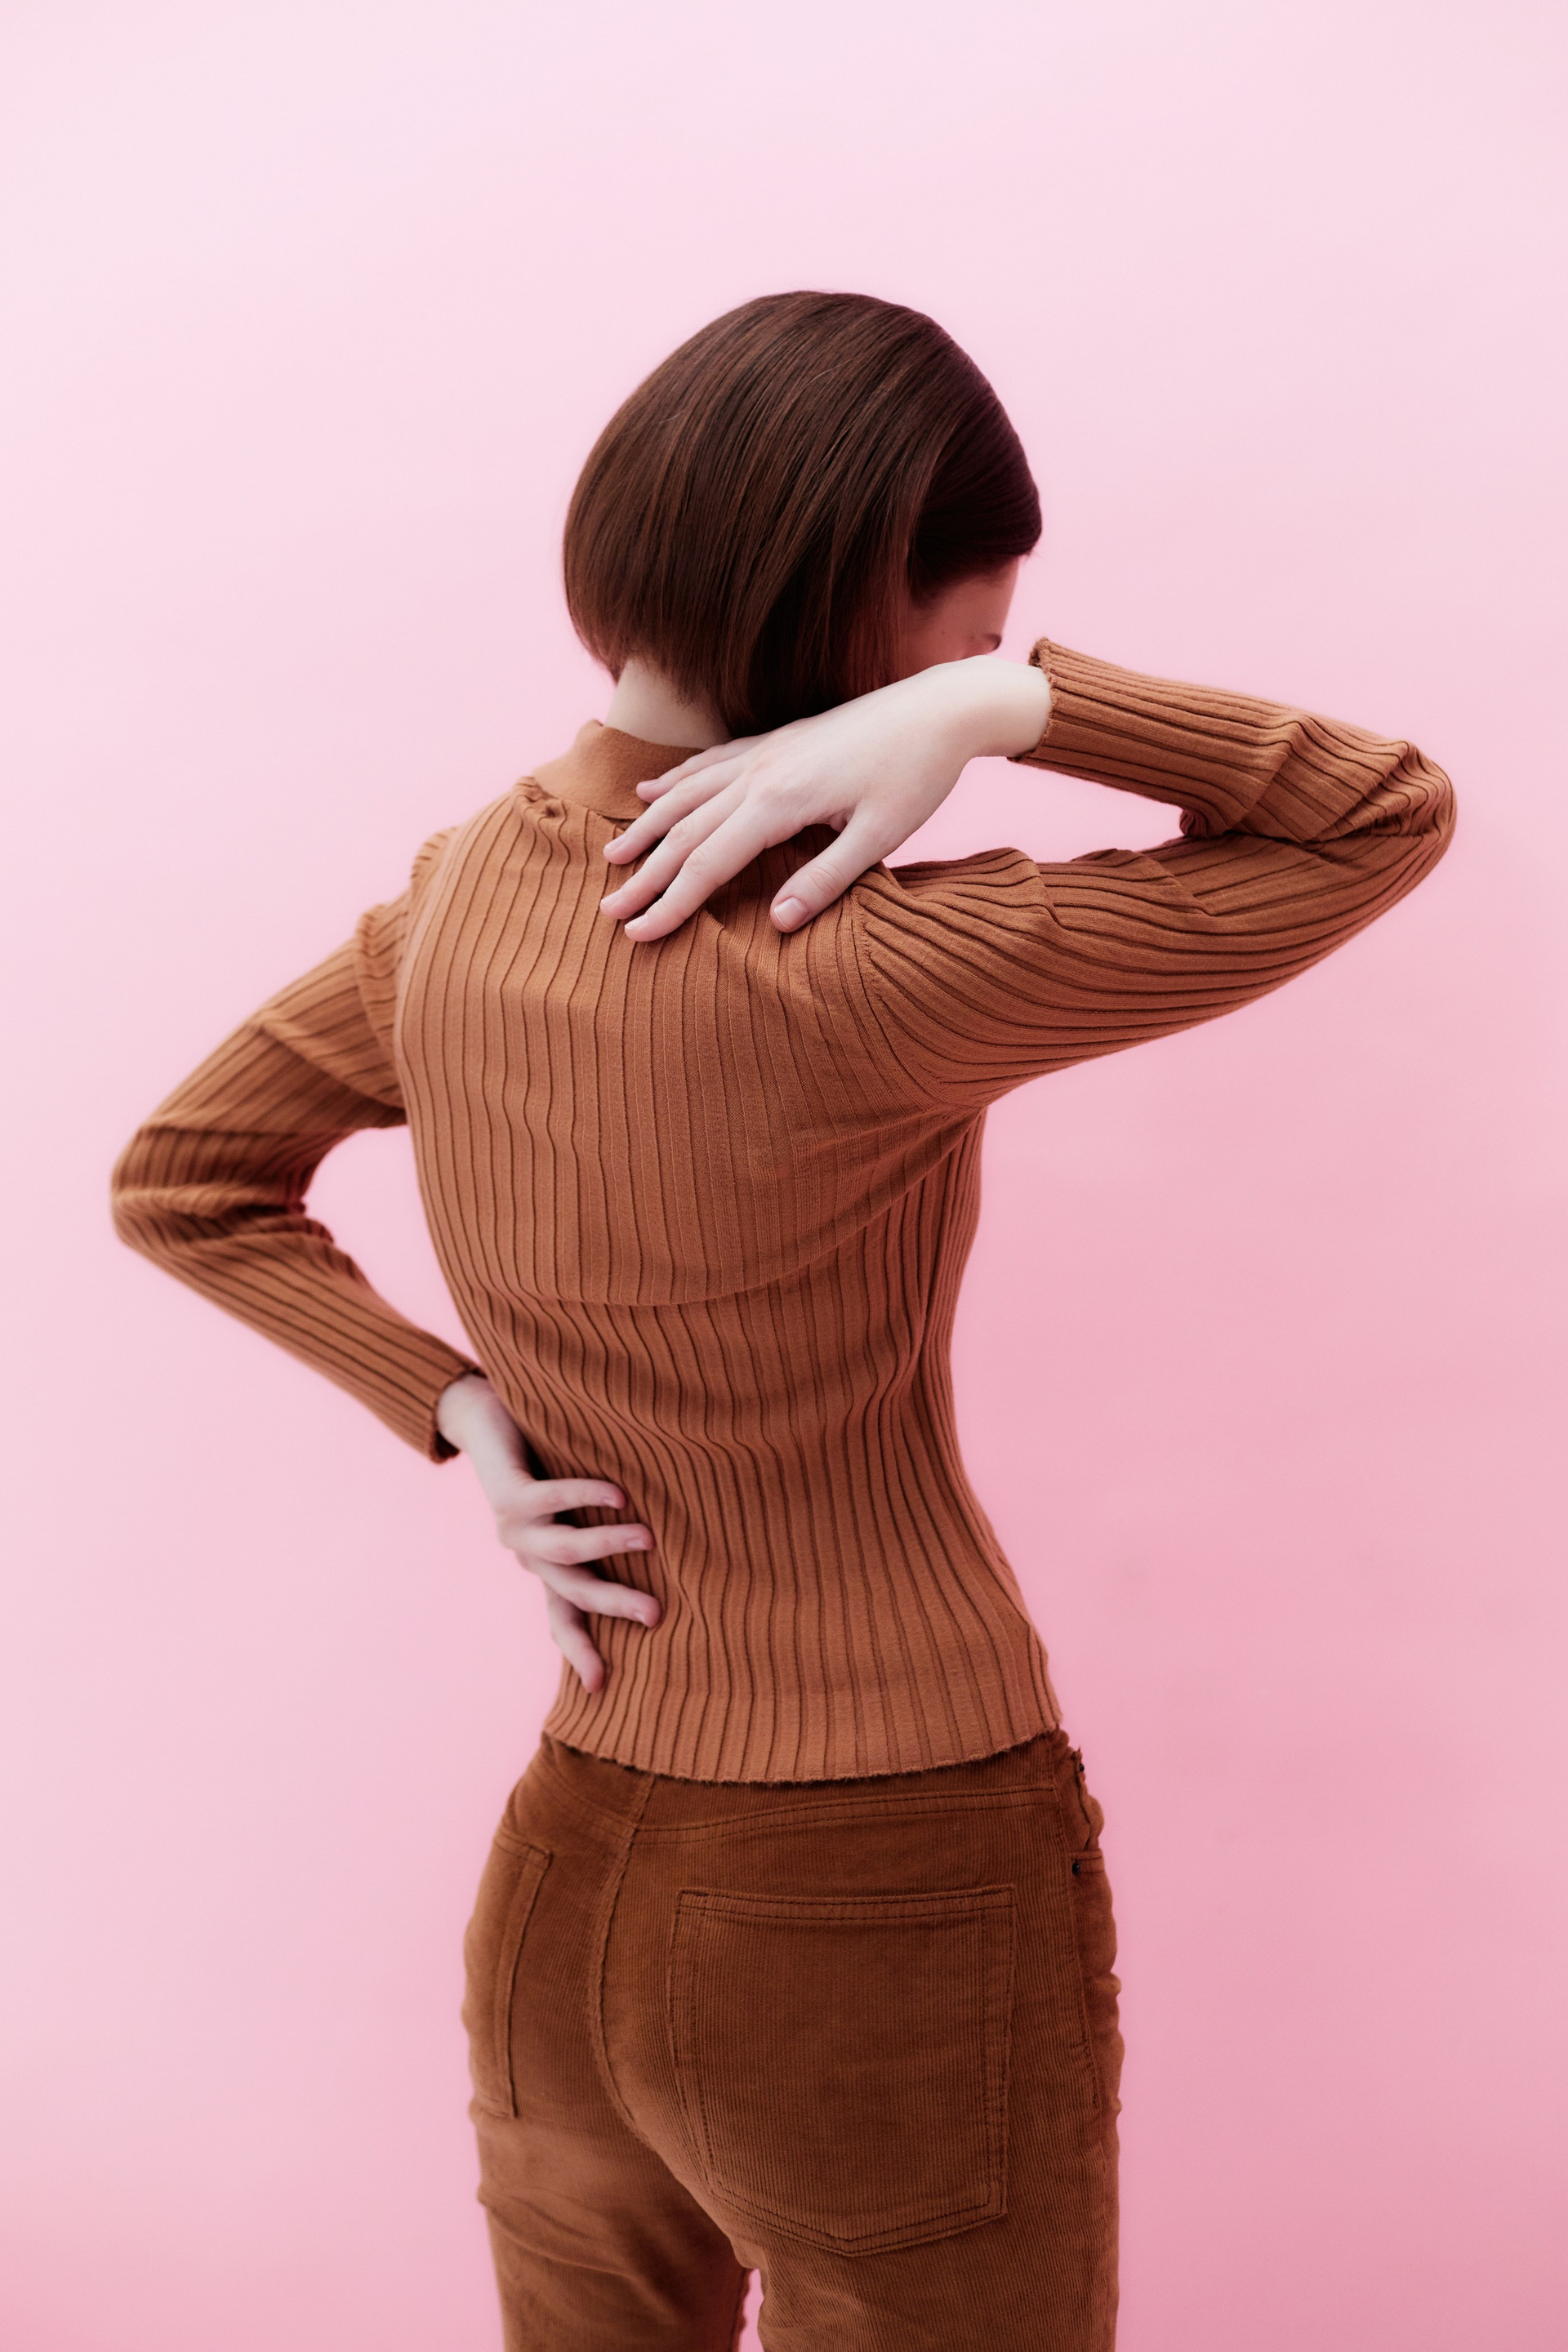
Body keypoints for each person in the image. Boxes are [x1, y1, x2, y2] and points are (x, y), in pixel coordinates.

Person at [111, 290, 1454, 2352]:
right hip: (885, 1885)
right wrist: (1021, 713)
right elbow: (1378, 811)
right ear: (866, 613)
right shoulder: (878, 962)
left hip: (567, 1882)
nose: (964, 679)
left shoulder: (451, 901)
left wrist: (457, 1410)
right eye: (963, 636)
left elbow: (184, 1177)